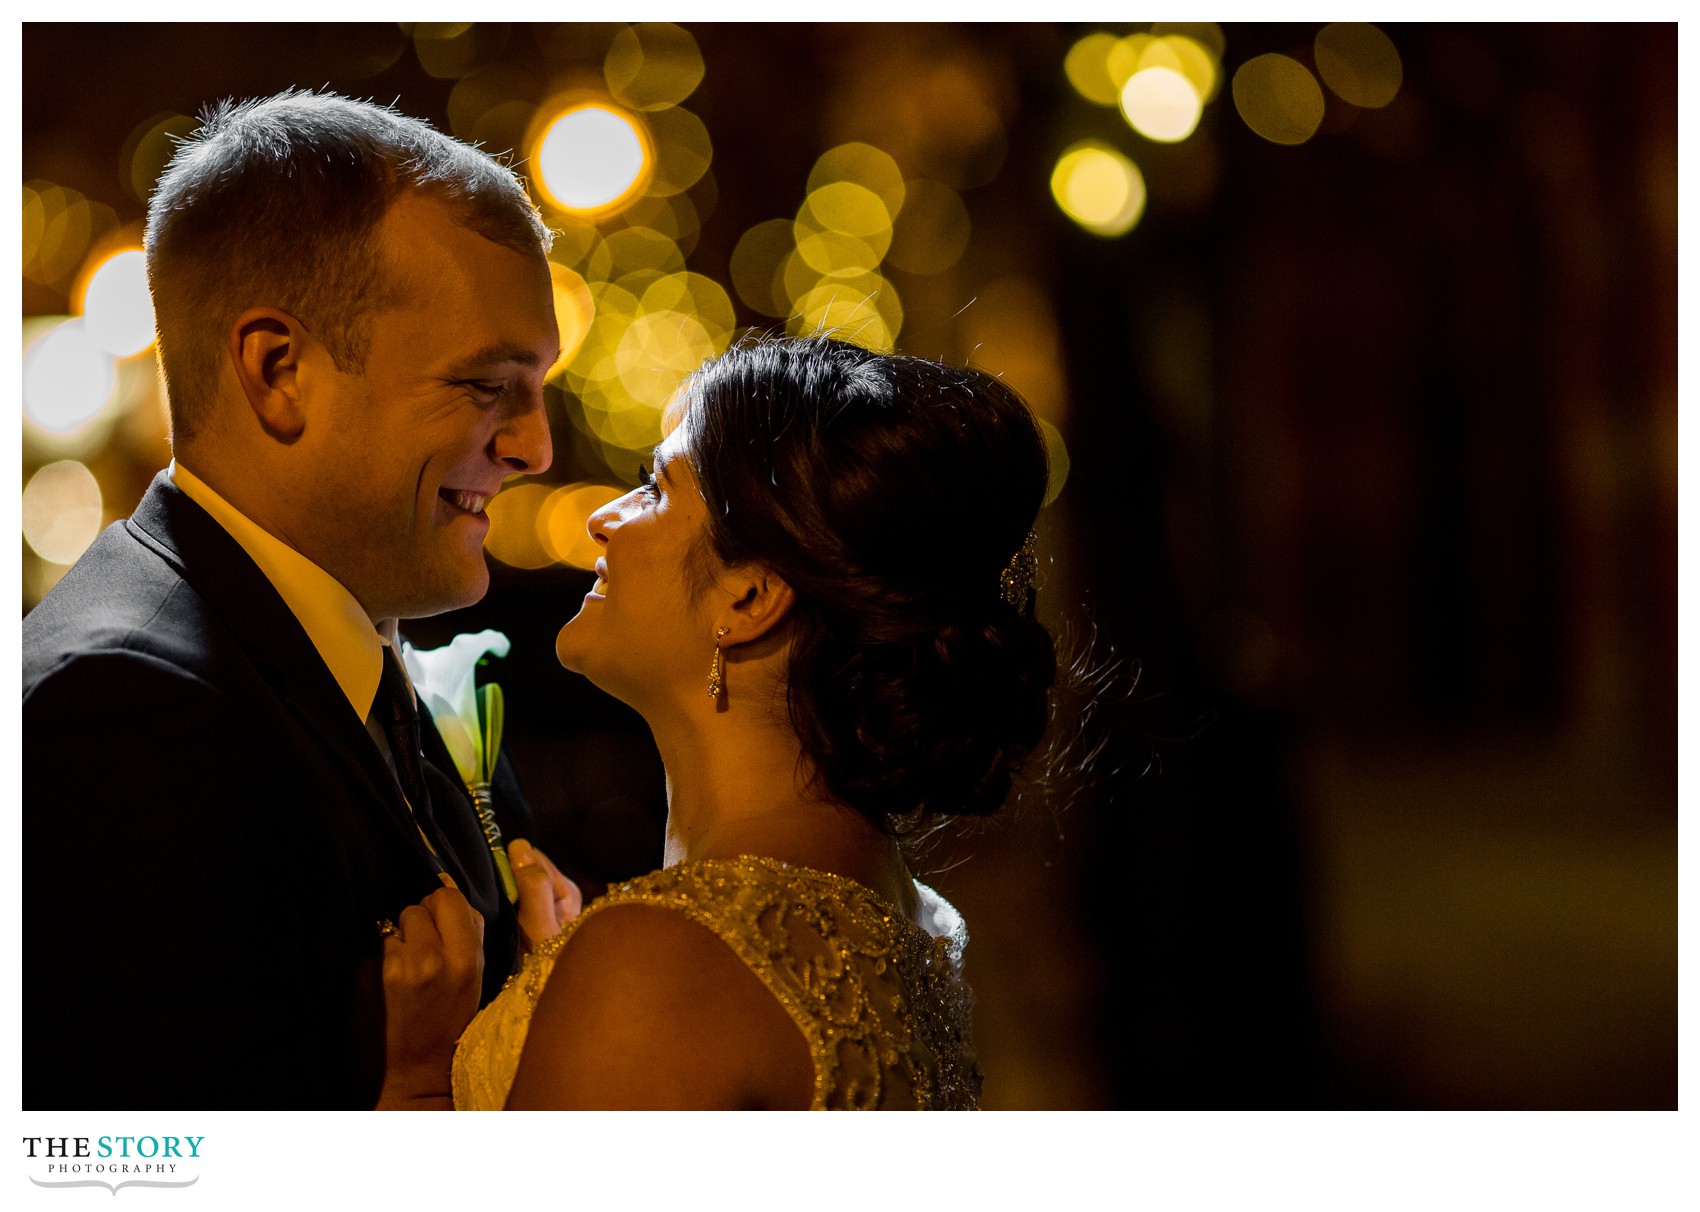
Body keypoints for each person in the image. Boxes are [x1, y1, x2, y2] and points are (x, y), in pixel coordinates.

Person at [21, 89, 577, 1110]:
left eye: (537, 387)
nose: (535, 449)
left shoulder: (364, 647)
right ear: (281, 372)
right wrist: (404, 1103)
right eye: (484, 387)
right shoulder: (122, 720)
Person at [392, 335, 1058, 1109]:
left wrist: (411, 1092)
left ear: (748, 598)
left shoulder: (665, 965)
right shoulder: (914, 918)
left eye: (655, 489)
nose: (605, 517)